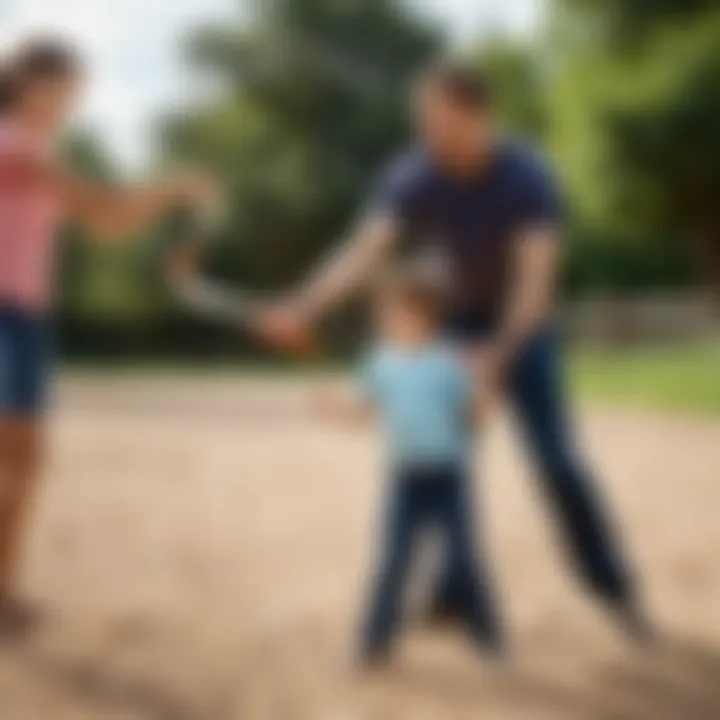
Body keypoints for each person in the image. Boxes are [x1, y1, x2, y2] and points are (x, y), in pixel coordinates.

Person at [256, 61, 652, 641]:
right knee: (442, 458)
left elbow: (534, 281)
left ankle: (614, 589)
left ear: (480, 117)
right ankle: (451, 591)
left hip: (523, 327)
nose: (430, 134)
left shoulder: (527, 176)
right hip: (459, 324)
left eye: (442, 121)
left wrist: (501, 352)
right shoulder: (416, 174)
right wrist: (304, 305)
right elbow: (365, 249)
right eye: (424, 121)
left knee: (555, 462)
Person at [0, 36, 214, 635]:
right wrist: (173, 190)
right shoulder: (14, 145)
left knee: (25, 458)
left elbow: (108, 228)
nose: (72, 101)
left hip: (27, 315)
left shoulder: (41, 147)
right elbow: (101, 211)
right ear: (26, 83)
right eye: (64, 88)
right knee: (16, 454)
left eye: (77, 92)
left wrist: (169, 204)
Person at [316, 264, 502, 664]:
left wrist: (486, 385)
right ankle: (374, 641)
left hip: (449, 477)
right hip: (405, 478)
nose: (386, 320)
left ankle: (489, 639)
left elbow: (477, 416)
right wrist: (334, 410)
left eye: (395, 311)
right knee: (393, 560)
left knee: (465, 558)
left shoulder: (449, 361)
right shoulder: (379, 363)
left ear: (425, 316)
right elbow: (364, 416)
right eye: (383, 313)